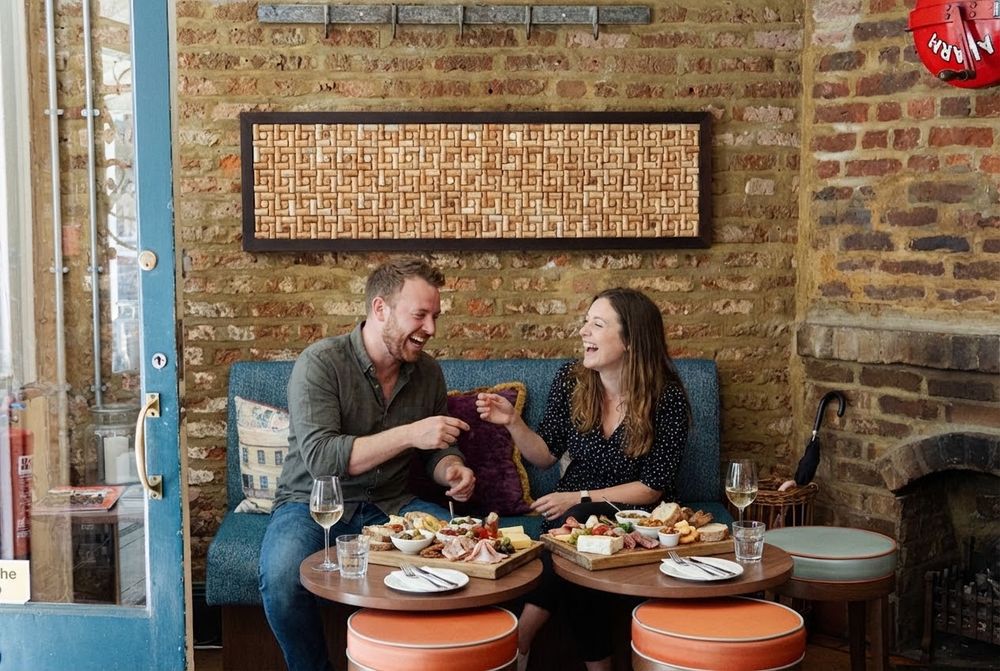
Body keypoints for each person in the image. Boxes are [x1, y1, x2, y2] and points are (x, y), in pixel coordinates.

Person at [259, 258, 476, 671]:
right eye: (420, 315)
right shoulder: (321, 364)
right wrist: (412, 433)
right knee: (283, 579)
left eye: (435, 316)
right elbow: (323, 459)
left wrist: (452, 468)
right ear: (380, 310)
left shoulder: (427, 372)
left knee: (463, 554)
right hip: (313, 505)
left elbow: (434, 449)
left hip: (391, 504)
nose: (431, 329)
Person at [476, 287, 690, 671]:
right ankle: (587, 662)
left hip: (636, 511)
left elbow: (653, 485)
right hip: (572, 510)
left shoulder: (667, 397)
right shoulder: (572, 380)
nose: (584, 332)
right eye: (585, 322)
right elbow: (544, 455)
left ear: (630, 339)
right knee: (574, 545)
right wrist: (513, 422)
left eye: (598, 324)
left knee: (571, 533)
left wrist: (581, 495)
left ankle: (519, 640)